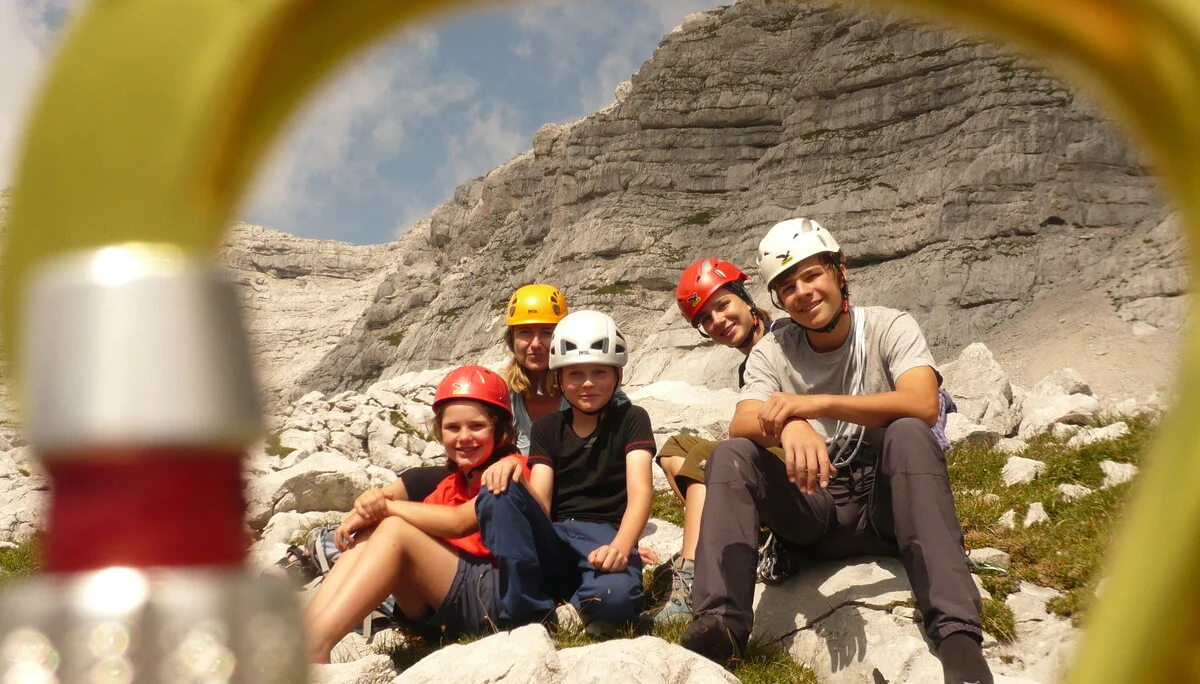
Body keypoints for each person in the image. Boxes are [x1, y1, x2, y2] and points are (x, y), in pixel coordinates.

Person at [680, 218, 993, 684]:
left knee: (909, 431)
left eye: (812, 275)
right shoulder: (772, 351)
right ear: (777, 299)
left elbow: (923, 403)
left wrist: (810, 405)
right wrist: (790, 426)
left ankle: (958, 637)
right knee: (731, 455)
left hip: (888, 505)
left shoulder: (889, 326)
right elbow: (741, 422)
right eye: (788, 286)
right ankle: (721, 624)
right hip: (818, 505)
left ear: (839, 271)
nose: (803, 293)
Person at [304, 365, 530, 662]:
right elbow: (421, 520)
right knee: (377, 530)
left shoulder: (510, 470)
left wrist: (386, 507)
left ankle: (315, 647)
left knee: (394, 528)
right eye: (453, 428)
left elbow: (459, 522)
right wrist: (369, 511)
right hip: (451, 603)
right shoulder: (451, 486)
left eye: (476, 426)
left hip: (498, 597)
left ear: (500, 432)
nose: (464, 437)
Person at [474, 310, 656, 637]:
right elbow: (541, 501)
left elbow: (641, 490)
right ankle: (526, 613)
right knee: (497, 489)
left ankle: (561, 606)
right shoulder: (547, 428)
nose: (587, 383)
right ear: (558, 378)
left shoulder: (632, 419)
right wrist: (513, 473)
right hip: (557, 535)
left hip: (604, 536)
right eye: (575, 374)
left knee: (615, 600)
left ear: (617, 375)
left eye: (599, 372)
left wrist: (622, 545)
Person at [651, 257, 787, 626]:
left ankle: (693, 575)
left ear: (746, 298)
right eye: (706, 320)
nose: (718, 321)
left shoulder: (787, 337)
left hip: (803, 461)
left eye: (723, 305)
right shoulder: (748, 365)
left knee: (703, 455)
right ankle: (723, 534)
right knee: (674, 448)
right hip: (773, 460)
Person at [386, 283, 572, 505]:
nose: (535, 344)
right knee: (415, 480)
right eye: (525, 332)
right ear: (511, 339)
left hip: (559, 491)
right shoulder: (503, 393)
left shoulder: (581, 391)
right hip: (505, 478)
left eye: (547, 332)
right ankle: (367, 508)